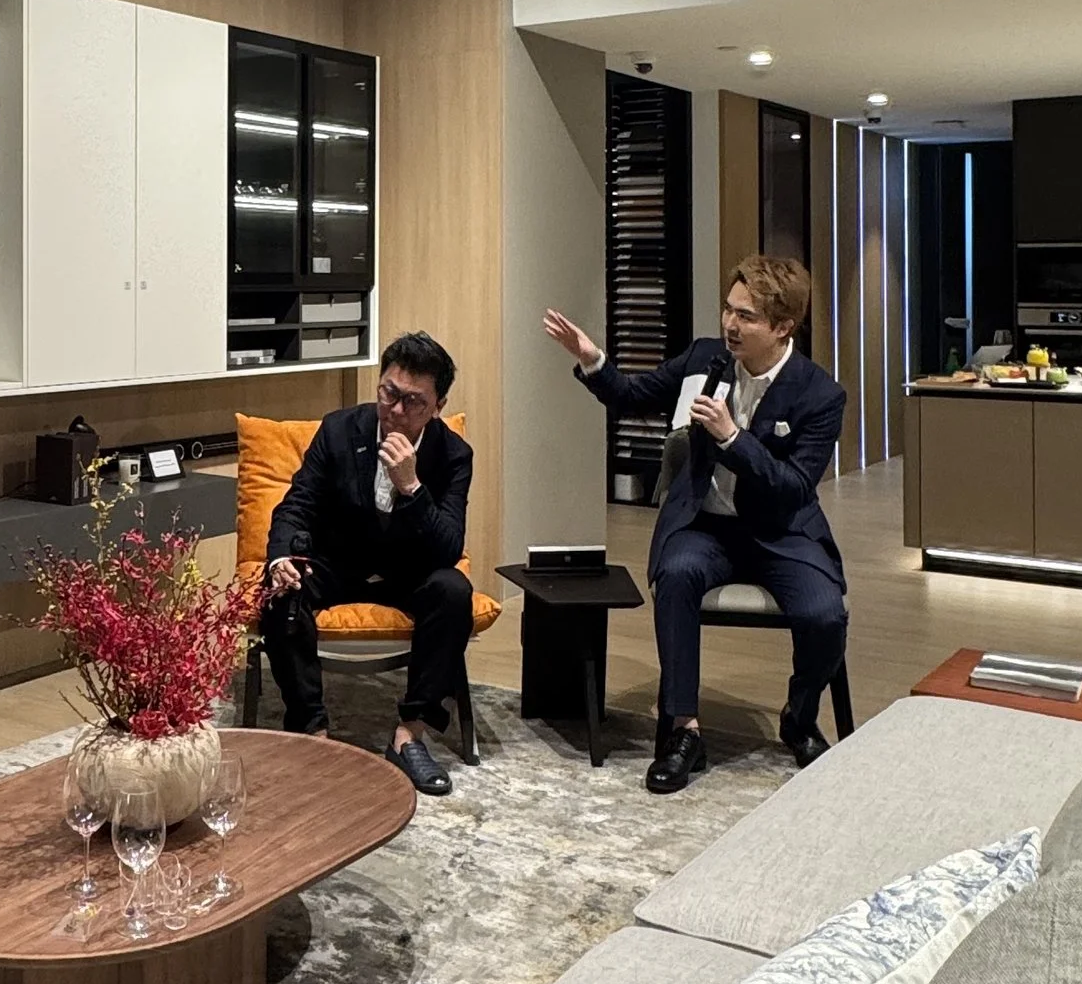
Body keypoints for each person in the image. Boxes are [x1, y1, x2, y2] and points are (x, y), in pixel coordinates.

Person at [543, 254, 847, 792]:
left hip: (781, 532)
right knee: (677, 576)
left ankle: (799, 716)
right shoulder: (707, 359)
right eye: (728, 310)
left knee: (824, 615)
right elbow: (633, 396)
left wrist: (733, 438)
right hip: (707, 526)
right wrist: (592, 359)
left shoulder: (820, 394)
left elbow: (793, 487)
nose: (730, 324)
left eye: (746, 316)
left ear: (783, 327)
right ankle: (683, 730)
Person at [260, 332, 475, 796]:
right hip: (339, 562)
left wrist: (412, 487)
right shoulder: (340, 430)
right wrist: (280, 558)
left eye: (413, 402)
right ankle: (312, 732)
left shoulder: (454, 455)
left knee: (453, 592)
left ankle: (409, 735)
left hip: (408, 571)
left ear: (437, 406)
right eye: (388, 392)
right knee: (281, 590)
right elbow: (297, 505)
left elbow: (448, 548)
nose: (395, 410)